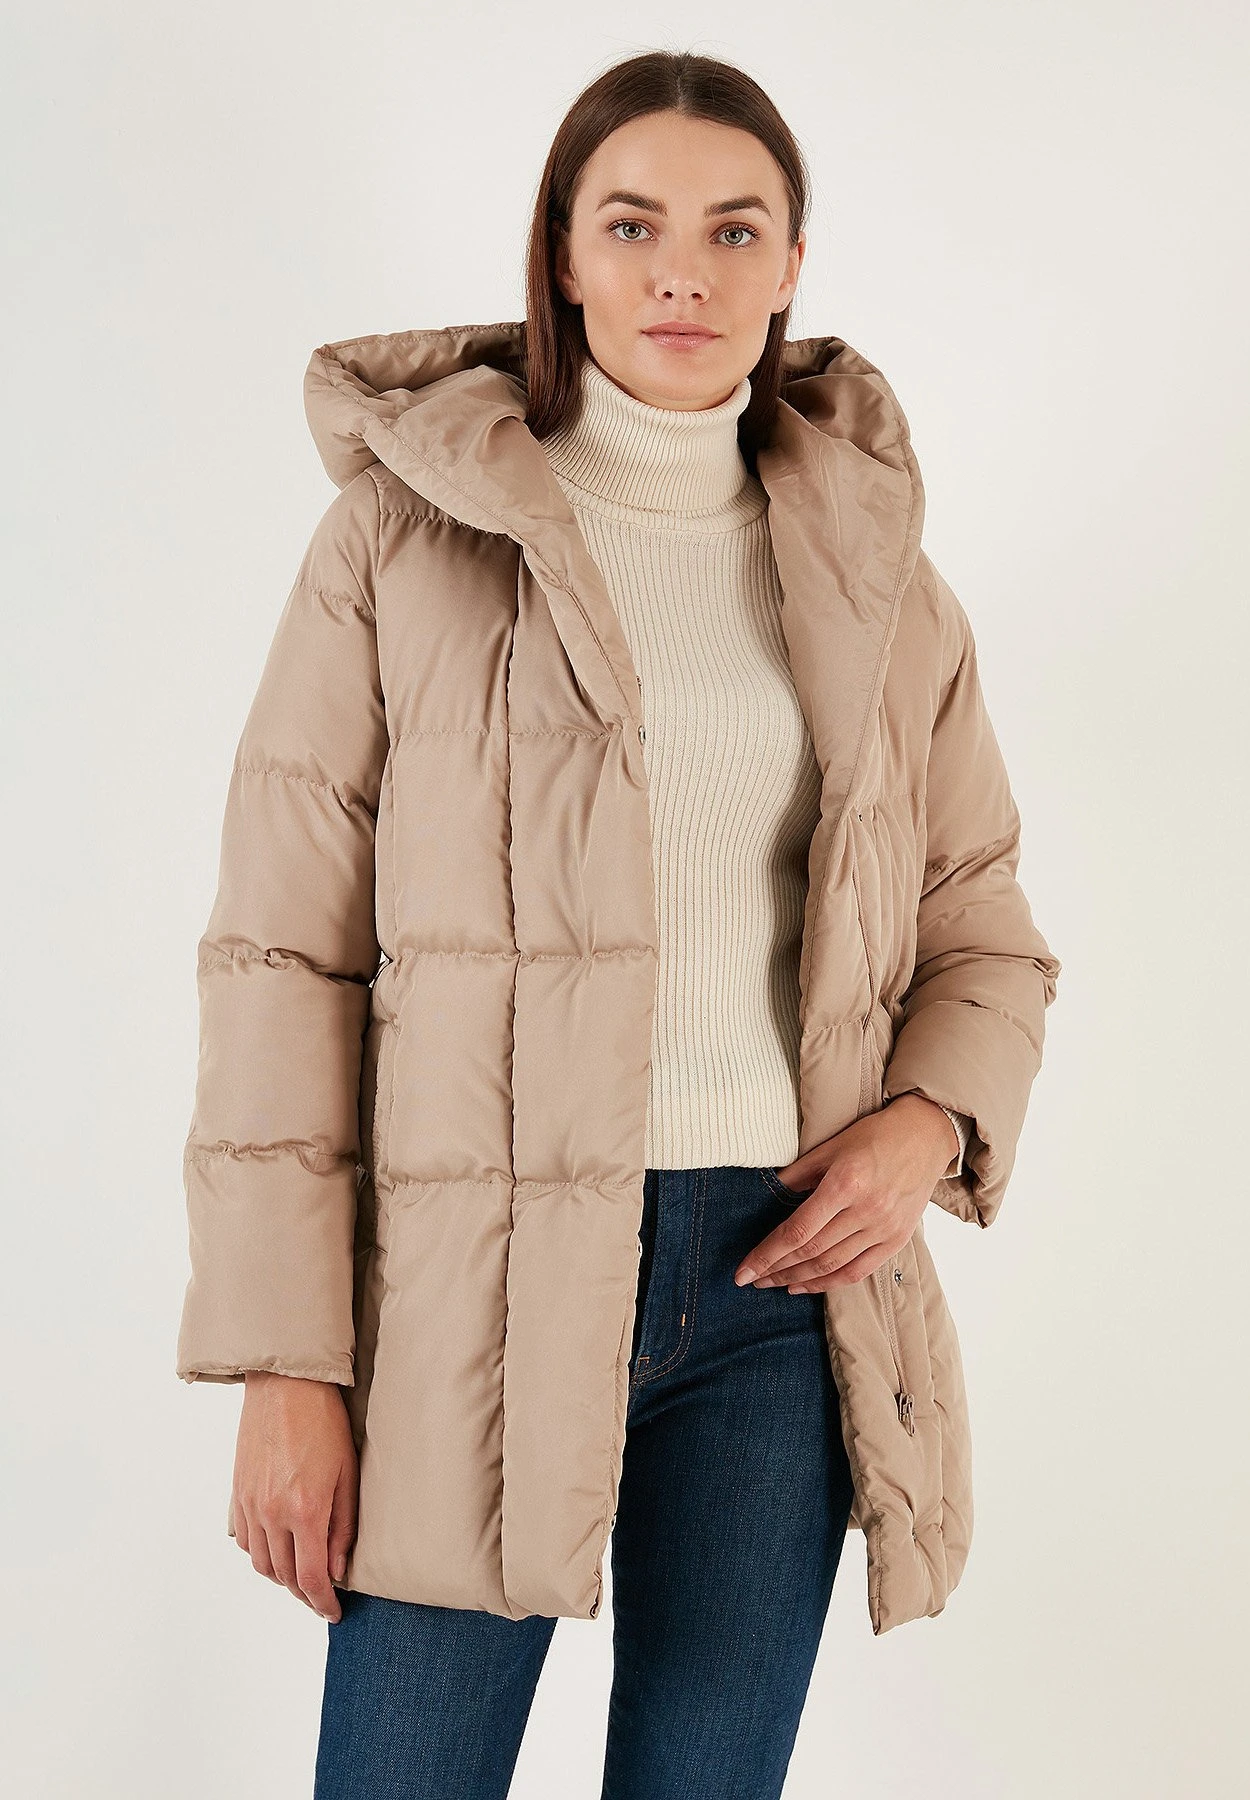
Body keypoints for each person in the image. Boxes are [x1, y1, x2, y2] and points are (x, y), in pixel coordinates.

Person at [175, 48, 1061, 1800]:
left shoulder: (879, 582)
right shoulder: (402, 542)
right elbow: (282, 959)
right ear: (563, 256)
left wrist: (928, 1123)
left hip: (778, 1283)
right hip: (469, 1289)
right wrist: (285, 1364)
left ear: (790, 265)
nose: (682, 273)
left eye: (734, 230)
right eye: (633, 225)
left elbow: (981, 923)